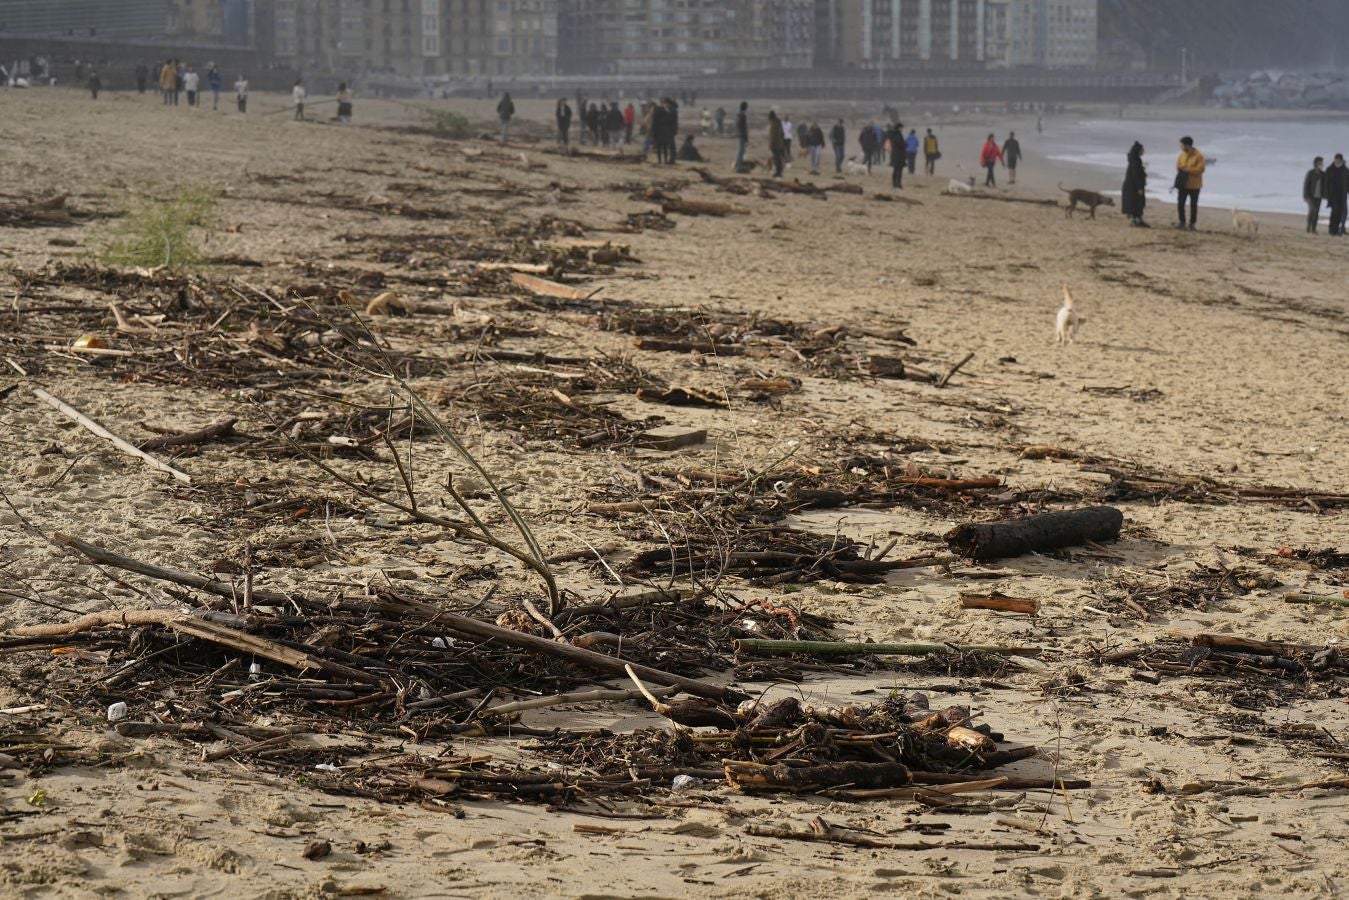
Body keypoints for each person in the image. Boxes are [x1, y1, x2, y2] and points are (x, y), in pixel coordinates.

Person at [1175, 136, 1205, 230]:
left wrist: (1188, 170)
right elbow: (1178, 165)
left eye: (1182, 145)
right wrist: (1180, 168)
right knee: (1180, 204)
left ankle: (1192, 224)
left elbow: (1200, 169)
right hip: (1183, 184)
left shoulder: (1199, 155)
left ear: (1187, 145)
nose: (1181, 147)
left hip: (1195, 185)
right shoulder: (1181, 155)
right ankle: (1182, 222)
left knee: (1193, 205)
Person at [1122, 141, 1148, 227]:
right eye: (1142, 150)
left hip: (1131, 185)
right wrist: (1139, 187)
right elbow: (1136, 175)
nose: (1143, 151)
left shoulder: (1133, 159)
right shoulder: (1136, 161)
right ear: (1138, 151)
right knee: (1137, 203)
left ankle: (1137, 220)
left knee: (1134, 203)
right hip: (1134, 186)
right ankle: (1136, 221)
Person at [1325, 154, 1348, 237]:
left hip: (1342, 195)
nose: (1337, 160)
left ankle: (1336, 230)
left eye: (1338, 159)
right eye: (1336, 159)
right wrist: (1326, 194)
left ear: (1341, 160)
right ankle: (1332, 230)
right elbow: (1326, 182)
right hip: (1332, 195)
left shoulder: (1345, 170)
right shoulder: (1329, 169)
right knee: (1334, 212)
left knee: (1339, 213)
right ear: (1334, 159)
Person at [1303, 156, 1326, 234]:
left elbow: (1326, 184)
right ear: (1316, 163)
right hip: (1310, 196)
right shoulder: (1310, 173)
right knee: (1313, 210)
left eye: (1322, 163)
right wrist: (1305, 195)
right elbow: (1306, 184)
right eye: (1320, 163)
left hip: (1319, 196)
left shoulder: (1323, 174)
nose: (1322, 164)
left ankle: (1313, 228)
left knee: (1316, 212)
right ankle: (1308, 226)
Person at [888, 122, 907, 189]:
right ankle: (898, 184)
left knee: (895, 170)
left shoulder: (892, 134)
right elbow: (900, 144)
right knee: (899, 170)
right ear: (899, 128)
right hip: (899, 155)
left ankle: (894, 184)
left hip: (894, 154)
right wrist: (905, 144)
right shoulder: (898, 134)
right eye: (901, 128)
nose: (902, 129)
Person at [768, 110, 786, 178]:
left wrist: (771, 145)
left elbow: (773, 136)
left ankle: (778, 172)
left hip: (775, 145)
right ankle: (779, 172)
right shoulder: (778, 123)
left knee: (777, 159)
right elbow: (782, 134)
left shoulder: (774, 124)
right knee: (778, 159)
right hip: (779, 144)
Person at [734, 101, 749, 173]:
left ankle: (738, 165)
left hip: (738, 134)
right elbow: (744, 127)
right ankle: (739, 167)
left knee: (740, 151)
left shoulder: (737, 114)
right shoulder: (742, 115)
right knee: (741, 152)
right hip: (741, 135)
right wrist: (746, 137)